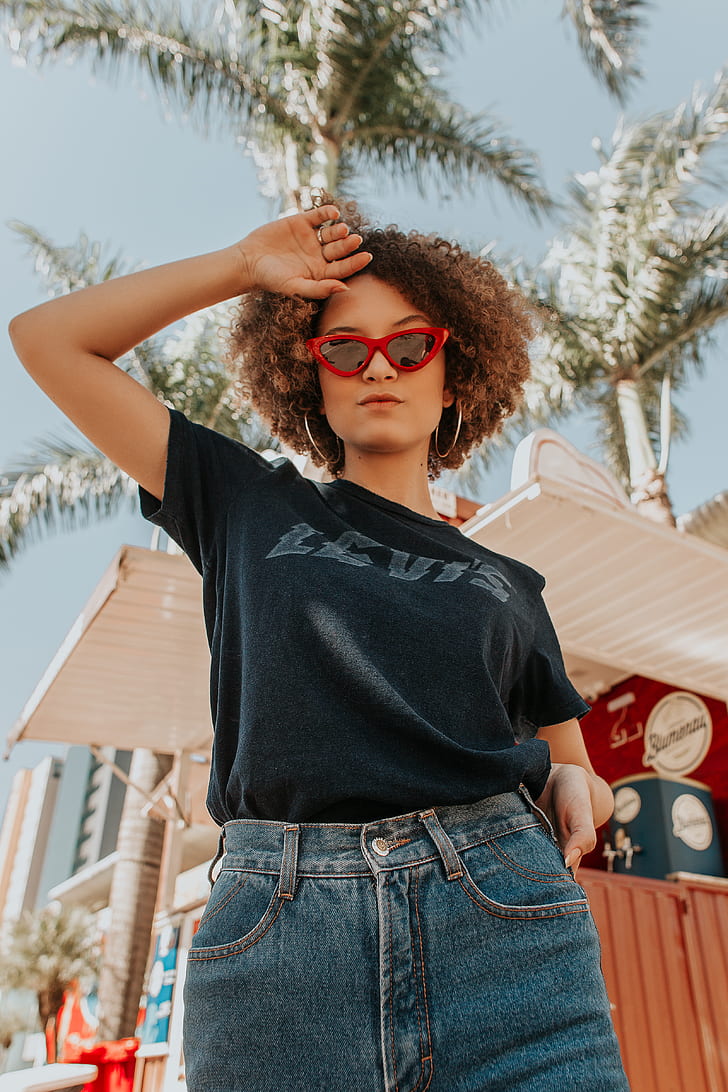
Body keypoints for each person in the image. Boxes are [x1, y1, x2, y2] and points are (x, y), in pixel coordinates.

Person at [9, 201, 630, 1091]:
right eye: (344, 348)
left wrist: (575, 782)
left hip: (505, 929)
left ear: (453, 378)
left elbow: (578, 775)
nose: (378, 366)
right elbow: (47, 340)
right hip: (282, 944)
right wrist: (240, 264)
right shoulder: (243, 501)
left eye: (410, 345)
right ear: (314, 379)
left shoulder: (511, 585)